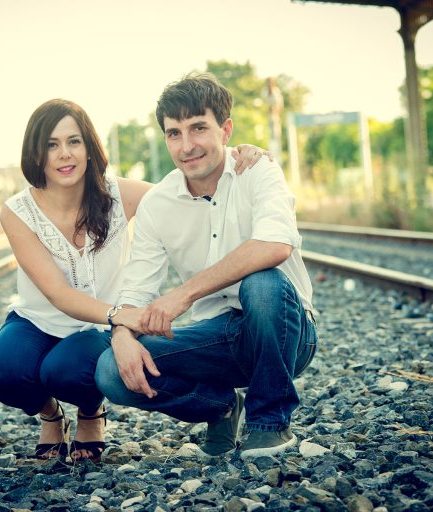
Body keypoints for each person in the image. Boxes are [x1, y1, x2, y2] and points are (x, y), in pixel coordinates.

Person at [0, 98, 270, 463]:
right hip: (42, 321)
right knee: (1, 372)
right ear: (36, 153)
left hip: (98, 327)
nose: (64, 155)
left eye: (74, 141)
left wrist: (235, 153)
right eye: (51, 145)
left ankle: (89, 412)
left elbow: (188, 189)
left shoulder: (121, 194)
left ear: (89, 147)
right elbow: (56, 293)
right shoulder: (18, 212)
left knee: (65, 370)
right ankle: (51, 416)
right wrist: (122, 315)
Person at [95, 73, 319, 460]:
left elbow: (274, 245)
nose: (187, 146)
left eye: (198, 128)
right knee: (111, 373)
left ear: (226, 129)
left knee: (261, 283)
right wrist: (121, 336)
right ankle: (222, 407)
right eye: (174, 133)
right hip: (216, 339)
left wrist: (183, 294)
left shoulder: (258, 171)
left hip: (286, 331)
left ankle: (269, 422)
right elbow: (135, 291)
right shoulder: (158, 204)